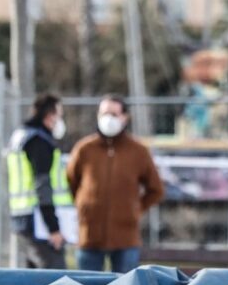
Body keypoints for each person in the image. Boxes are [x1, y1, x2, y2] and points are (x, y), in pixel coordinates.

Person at [66, 95, 165, 273]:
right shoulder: (84, 149)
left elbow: (155, 189)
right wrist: (84, 204)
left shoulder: (138, 151)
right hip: (89, 234)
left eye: (113, 113)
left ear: (124, 117)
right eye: (104, 113)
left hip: (126, 237)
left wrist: (135, 209)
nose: (108, 118)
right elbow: (71, 181)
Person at [7, 93, 73, 269]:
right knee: (55, 277)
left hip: (22, 218)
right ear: (50, 115)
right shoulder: (39, 142)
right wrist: (53, 228)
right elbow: (42, 186)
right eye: (59, 114)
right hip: (38, 223)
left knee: (33, 280)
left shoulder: (21, 137)